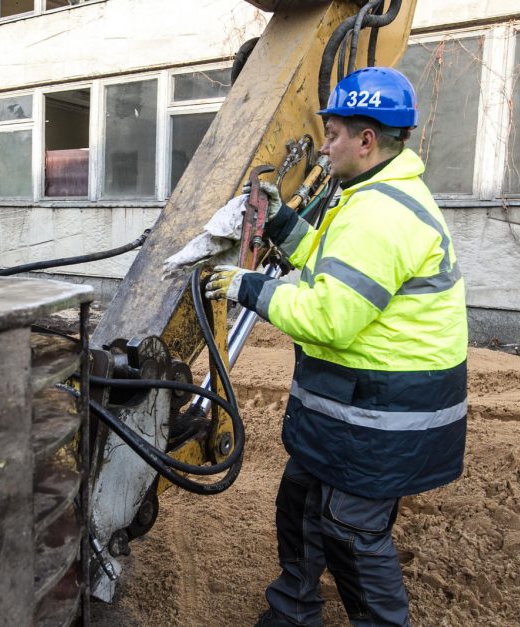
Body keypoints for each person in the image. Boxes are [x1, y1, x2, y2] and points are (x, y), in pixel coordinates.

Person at [205, 67, 467, 626]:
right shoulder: (370, 197)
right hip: (355, 410)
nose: (323, 147)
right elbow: (327, 260)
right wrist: (278, 221)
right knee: (299, 502)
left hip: (385, 419)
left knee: (352, 534)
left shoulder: (381, 214)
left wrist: (246, 286)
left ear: (366, 140)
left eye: (332, 135)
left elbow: (330, 316)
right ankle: (292, 613)